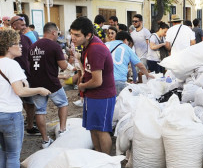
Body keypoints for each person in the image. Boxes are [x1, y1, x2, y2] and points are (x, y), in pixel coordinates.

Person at [0, 29, 50, 168]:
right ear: (8, 46)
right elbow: (20, 91)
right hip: (9, 115)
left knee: (5, 151)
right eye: (17, 43)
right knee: (13, 154)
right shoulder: (11, 64)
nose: (21, 46)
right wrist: (39, 90)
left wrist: (24, 82)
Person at [70, 17, 116, 154]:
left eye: (77, 35)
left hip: (102, 96)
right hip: (92, 95)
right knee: (93, 128)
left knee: (101, 130)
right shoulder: (87, 46)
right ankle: (97, 156)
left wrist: (82, 86)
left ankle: (106, 160)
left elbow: (97, 81)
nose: (73, 38)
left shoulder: (95, 49)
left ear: (88, 35)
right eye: (72, 34)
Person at [28, 22, 69, 148]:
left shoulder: (33, 46)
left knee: (40, 111)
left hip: (35, 84)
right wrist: (66, 59)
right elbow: (63, 66)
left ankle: (45, 140)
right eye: (57, 32)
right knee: (63, 104)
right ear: (53, 32)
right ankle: (62, 130)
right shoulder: (54, 46)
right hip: (52, 83)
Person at [10, 15, 38, 136]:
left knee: (30, 102)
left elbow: (31, 56)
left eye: (24, 22)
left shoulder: (26, 39)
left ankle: (30, 125)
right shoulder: (7, 38)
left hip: (26, 75)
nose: (24, 24)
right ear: (13, 25)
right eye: (21, 22)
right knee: (13, 102)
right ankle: (13, 128)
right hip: (10, 76)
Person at [108, 29, 152, 95]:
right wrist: (147, 75)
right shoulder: (126, 48)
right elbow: (140, 66)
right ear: (126, 40)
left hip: (105, 80)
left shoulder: (106, 44)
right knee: (119, 103)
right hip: (119, 80)